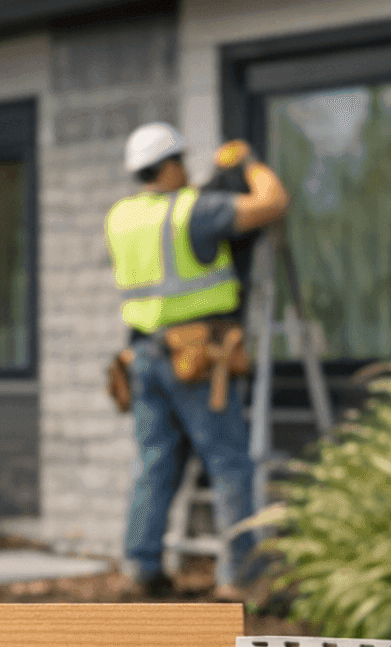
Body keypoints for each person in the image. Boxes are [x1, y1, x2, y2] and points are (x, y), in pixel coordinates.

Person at [105, 123, 290, 601]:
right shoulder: (196, 211)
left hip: (140, 355)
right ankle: (241, 576)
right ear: (168, 165)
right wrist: (248, 163)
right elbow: (272, 203)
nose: (187, 170)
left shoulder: (122, 217)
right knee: (229, 462)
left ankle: (140, 567)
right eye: (182, 161)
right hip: (195, 357)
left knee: (154, 464)